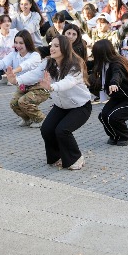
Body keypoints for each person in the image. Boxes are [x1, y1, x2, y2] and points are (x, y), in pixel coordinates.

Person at [39, 34, 92, 169]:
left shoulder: (74, 66)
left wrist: (51, 87)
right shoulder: (50, 62)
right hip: (61, 106)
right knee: (47, 129)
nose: (52, 48)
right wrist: (17, 80)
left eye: (56, 46)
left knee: (62, 130)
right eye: (51, 45)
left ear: (65, 48)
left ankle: (76, 158)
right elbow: (33, 73)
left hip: (80, 106)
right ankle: (56, 157)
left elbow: (68, 82)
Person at [92, 39, 128, 146]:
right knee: (103, 116)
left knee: (114, 117)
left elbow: (117, 74)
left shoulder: (117, 63)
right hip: (118, 97)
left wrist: (114, 83)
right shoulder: (104, 64)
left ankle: (125, 136)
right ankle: (114, 135)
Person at [7, 30, 50, 127]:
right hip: (23, 86)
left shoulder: (34, 55)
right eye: (16, 42)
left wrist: (14, 72)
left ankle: (41, 119)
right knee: (14, 103)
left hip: (39, 87)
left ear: (28, 43)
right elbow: (3, 62)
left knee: (23, 101)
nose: (18, 46)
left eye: (21, 43)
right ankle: (28, 119)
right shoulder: (15, 54)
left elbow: (26, 65)